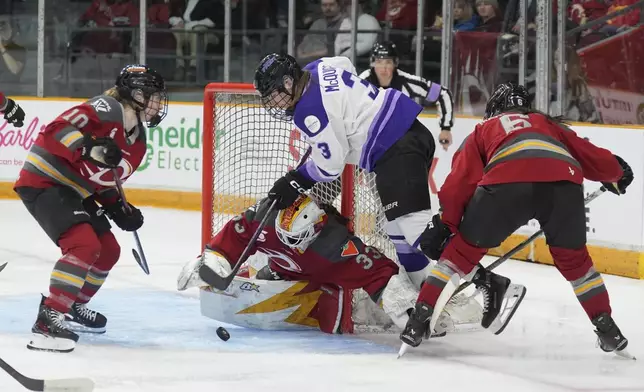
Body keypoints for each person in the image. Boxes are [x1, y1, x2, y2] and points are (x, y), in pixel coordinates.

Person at [400, 82, 634, 359]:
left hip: (506, 183)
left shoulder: (483, 129)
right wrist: (616, 173)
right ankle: (607, 327)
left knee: (459, 254)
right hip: (564, 185)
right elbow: (589, 154)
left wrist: (447, 223)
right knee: (577, 264)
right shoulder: (546, 123)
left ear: (495, 107)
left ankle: (418, 321)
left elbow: (459, 183)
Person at [253, 53, 444, 294]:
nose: (272, 103)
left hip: (395, 144)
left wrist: (296, 180)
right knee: (395, 229)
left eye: (273, 95)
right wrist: (345, 109)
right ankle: (425, 290)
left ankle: (475, 274)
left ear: (289, 83)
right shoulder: (317, 67)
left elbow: (331, 166)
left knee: (415, 230)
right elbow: (345, 64)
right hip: (402, 134)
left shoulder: (307, 113)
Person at [13, 65, 168, 353]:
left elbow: (102, 180)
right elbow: (55, 130)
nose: (159, 103)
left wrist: (119, 207)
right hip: (45, 181)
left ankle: (73, 305)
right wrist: (87, 147)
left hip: (76, 192)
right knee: (83, 246)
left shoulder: (139, 143)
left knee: (109, 251)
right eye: (154, 96)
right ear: (136, 94)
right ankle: (48, 320)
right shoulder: (105, 108)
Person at [178, 195, 482, 334]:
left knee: (358, 310)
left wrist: (406, 305)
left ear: (313, 231)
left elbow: (379, 271)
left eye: (293, 240)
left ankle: (445, 305)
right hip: (282, 272)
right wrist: (211, 263)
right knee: (258, 266)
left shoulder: (335, 245)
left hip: (321, 284)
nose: (285, 241)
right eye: (283, 236)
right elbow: (230, 241)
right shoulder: (264, 218)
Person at [359, 41, 455, 150]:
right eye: (379, 61)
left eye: (388, 62)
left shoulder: (406, 81)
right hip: (369, 142)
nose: (383, 67)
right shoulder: (362, 81)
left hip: (399, 143)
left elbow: (443, 94)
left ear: (395, 63)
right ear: (372, 63)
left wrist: (445, 128)